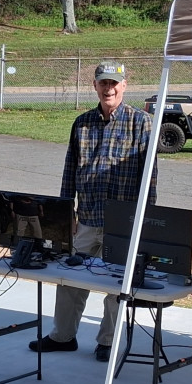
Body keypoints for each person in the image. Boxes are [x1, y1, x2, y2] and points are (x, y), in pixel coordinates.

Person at [27, 61, 157, 362]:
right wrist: (66, 213)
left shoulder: (141, 122)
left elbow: (149, 176)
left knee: (116, 285)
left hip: (122, 223)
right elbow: (70, 170)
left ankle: (107, 342)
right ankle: (62, 336)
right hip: (87, 217)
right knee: (70, 278)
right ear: (95, 86)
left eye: (114, 83)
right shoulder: (82, 123)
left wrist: (146, 220)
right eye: (103, 83)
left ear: (124, 86)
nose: (109, 89)